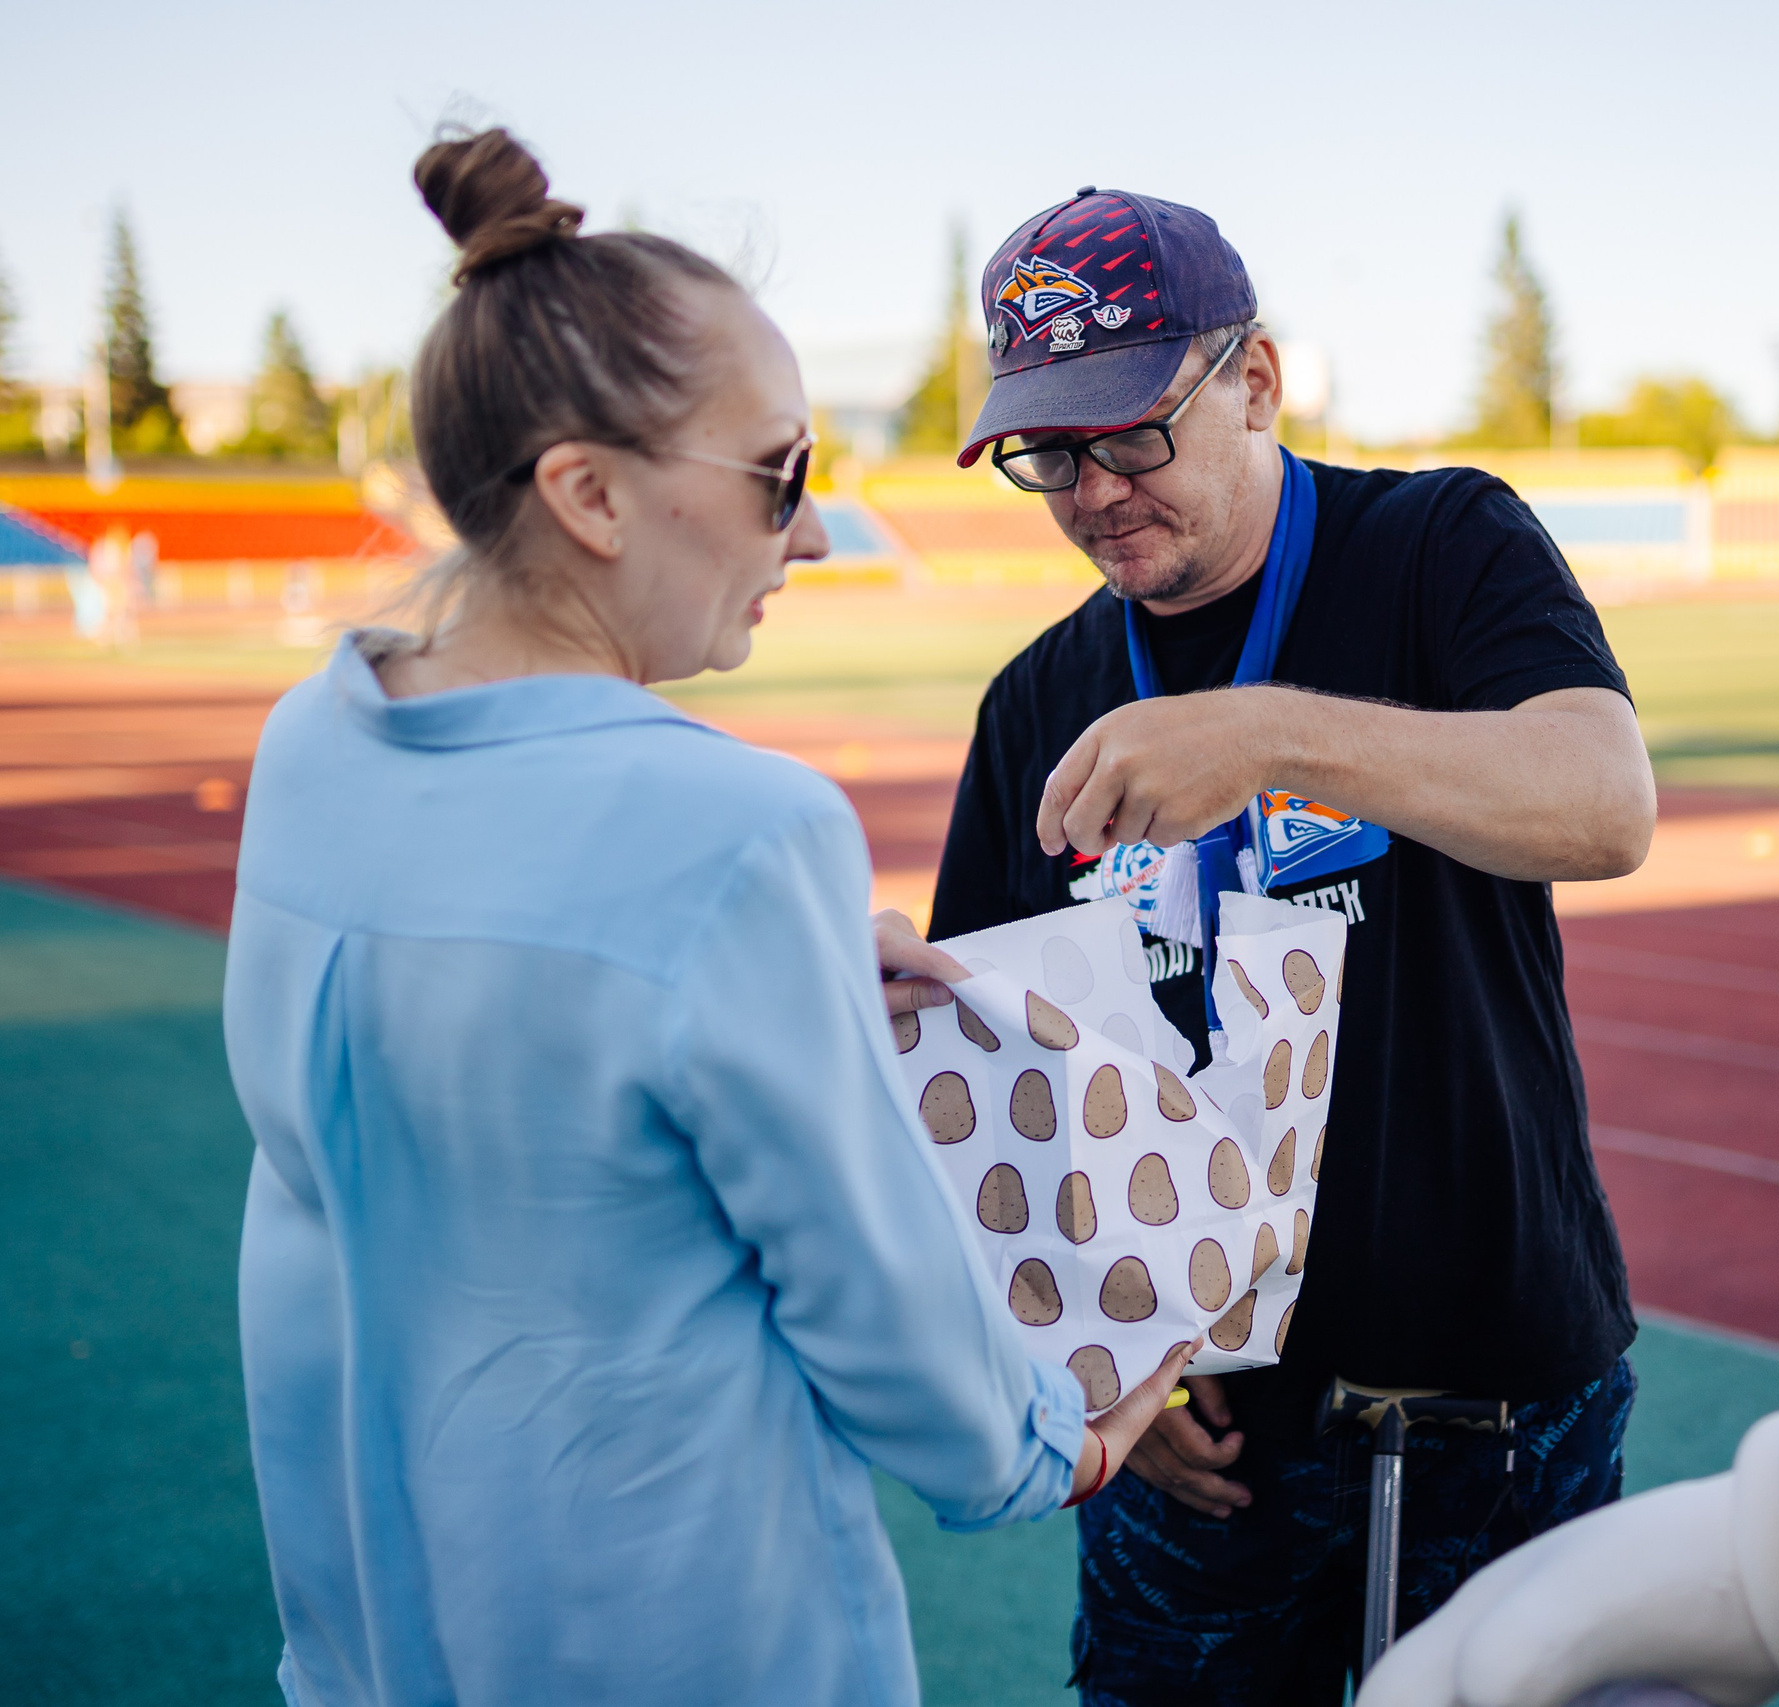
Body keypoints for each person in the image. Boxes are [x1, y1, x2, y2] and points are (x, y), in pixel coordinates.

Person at [223, 130, 1185, 1707]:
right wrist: (1056, 1448)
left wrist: (763, 988)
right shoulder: (744, 836)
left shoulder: (309, 743)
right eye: (781, 474)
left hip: (366, 1645)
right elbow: (885, 1314)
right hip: (676, 1638)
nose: (809, 534)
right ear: (589, 494)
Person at [928, 188, 1659, 1705]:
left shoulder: (1441, 545)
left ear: (1253, 381)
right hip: (1196, 1448)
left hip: (1502, 1396)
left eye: (1130, 431)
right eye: (1045, 453)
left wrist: (1264, 738)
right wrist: (1100, 1351)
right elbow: (995, 1078)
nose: (1090, 491)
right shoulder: (1034, 702)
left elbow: (1603, 805)